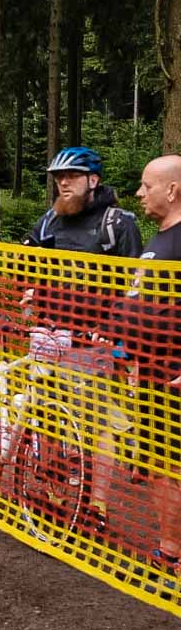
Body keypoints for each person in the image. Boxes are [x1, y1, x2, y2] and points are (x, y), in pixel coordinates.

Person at [21, 146, 143, 532]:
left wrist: (121, 339)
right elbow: (30, 266)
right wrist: (28, 294)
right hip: (47, 335)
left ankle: (98, 505)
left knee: (99, 424)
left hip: (93, 344)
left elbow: (134, 289)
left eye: (71, 175)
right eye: (58, 176)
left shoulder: (119, 223)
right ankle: (54, 492)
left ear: (93, 180)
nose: (63, 182)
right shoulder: (49, 221)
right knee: (46, 415)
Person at [119, 154, 181, 574]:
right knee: (160, 465)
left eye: (148, 185)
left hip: (174, 376)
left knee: (170, 467)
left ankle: (171, 552)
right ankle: (170, 549)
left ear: (173, 191)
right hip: (152, 373)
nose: (140, 193)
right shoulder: (158, 238)